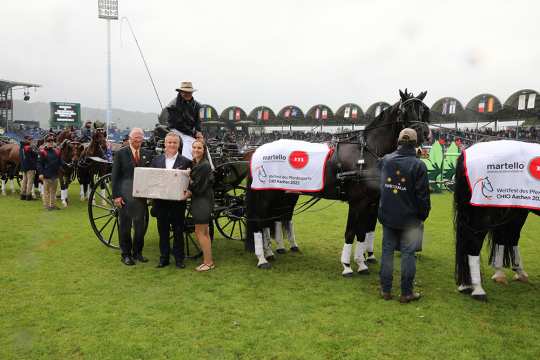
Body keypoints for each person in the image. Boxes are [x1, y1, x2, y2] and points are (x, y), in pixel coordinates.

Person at [378, 128, 431, 303]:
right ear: (415, 143)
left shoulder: (386, 160)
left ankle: (385, 290)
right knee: (408, 254)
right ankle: (406, 292)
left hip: (388, 216)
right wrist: (422, 216)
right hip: (410, 220)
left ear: (399, 141)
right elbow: (423, 197)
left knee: (387, 252)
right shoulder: (419, 165)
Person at [151, 132, 192, 269]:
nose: (172, 145)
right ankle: (164, 258)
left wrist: (188, 192)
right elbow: (152, 180)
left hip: (177, 203)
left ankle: (179, 259)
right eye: (169, 142)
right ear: (165, 144)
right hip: (161, 203)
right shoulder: (156, 160)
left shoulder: (186, 161)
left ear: (178, 144)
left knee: (178, 232)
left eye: (174, 143)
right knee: (162, 232)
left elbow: (190, 182)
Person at [112, 128, 150, 266]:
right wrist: (116, 196)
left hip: (140, 198)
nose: (138, 140)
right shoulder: (121, 153)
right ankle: (126, 255)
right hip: (125, 198)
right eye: (135, 137)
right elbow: (115, 177)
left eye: (140, 137)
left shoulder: (146, 154)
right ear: (130, 138)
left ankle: (138, 253)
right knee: (125, 227)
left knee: (140, 227)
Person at [186, 139, 215, 271]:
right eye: (195, 147)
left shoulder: (204, 165)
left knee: (200, 232)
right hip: (202, 200)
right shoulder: (196, 164)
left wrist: (188, 180)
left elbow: (198, 187)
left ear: (204, 151)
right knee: (205, 232)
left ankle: (208, 262)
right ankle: (208, 261)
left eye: (199, 148)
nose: (196, 150)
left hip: (202, 201)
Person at [37, 134, 63, 210]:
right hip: (46, 175)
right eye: (49, 141)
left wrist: (68, 164)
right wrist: (41, 173)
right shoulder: (42, 152)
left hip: (55, 174)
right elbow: (39, 164)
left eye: (52, 141)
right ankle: (46, 205)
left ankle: (53, 205)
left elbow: (60, 161)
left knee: (54, 192)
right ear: (46, 142)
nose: (51, 142)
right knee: (46, 191)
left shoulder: (57, 151)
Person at [19, 135, 37, 201]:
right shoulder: (28, 147)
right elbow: (32, 157)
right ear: (26, 140)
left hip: (24, 166)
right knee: (30, 181)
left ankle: (22, 195)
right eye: (30, 139)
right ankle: (28, 196)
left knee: (24, 181)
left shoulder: (21, 147)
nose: (31, 141)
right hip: (30, 167)